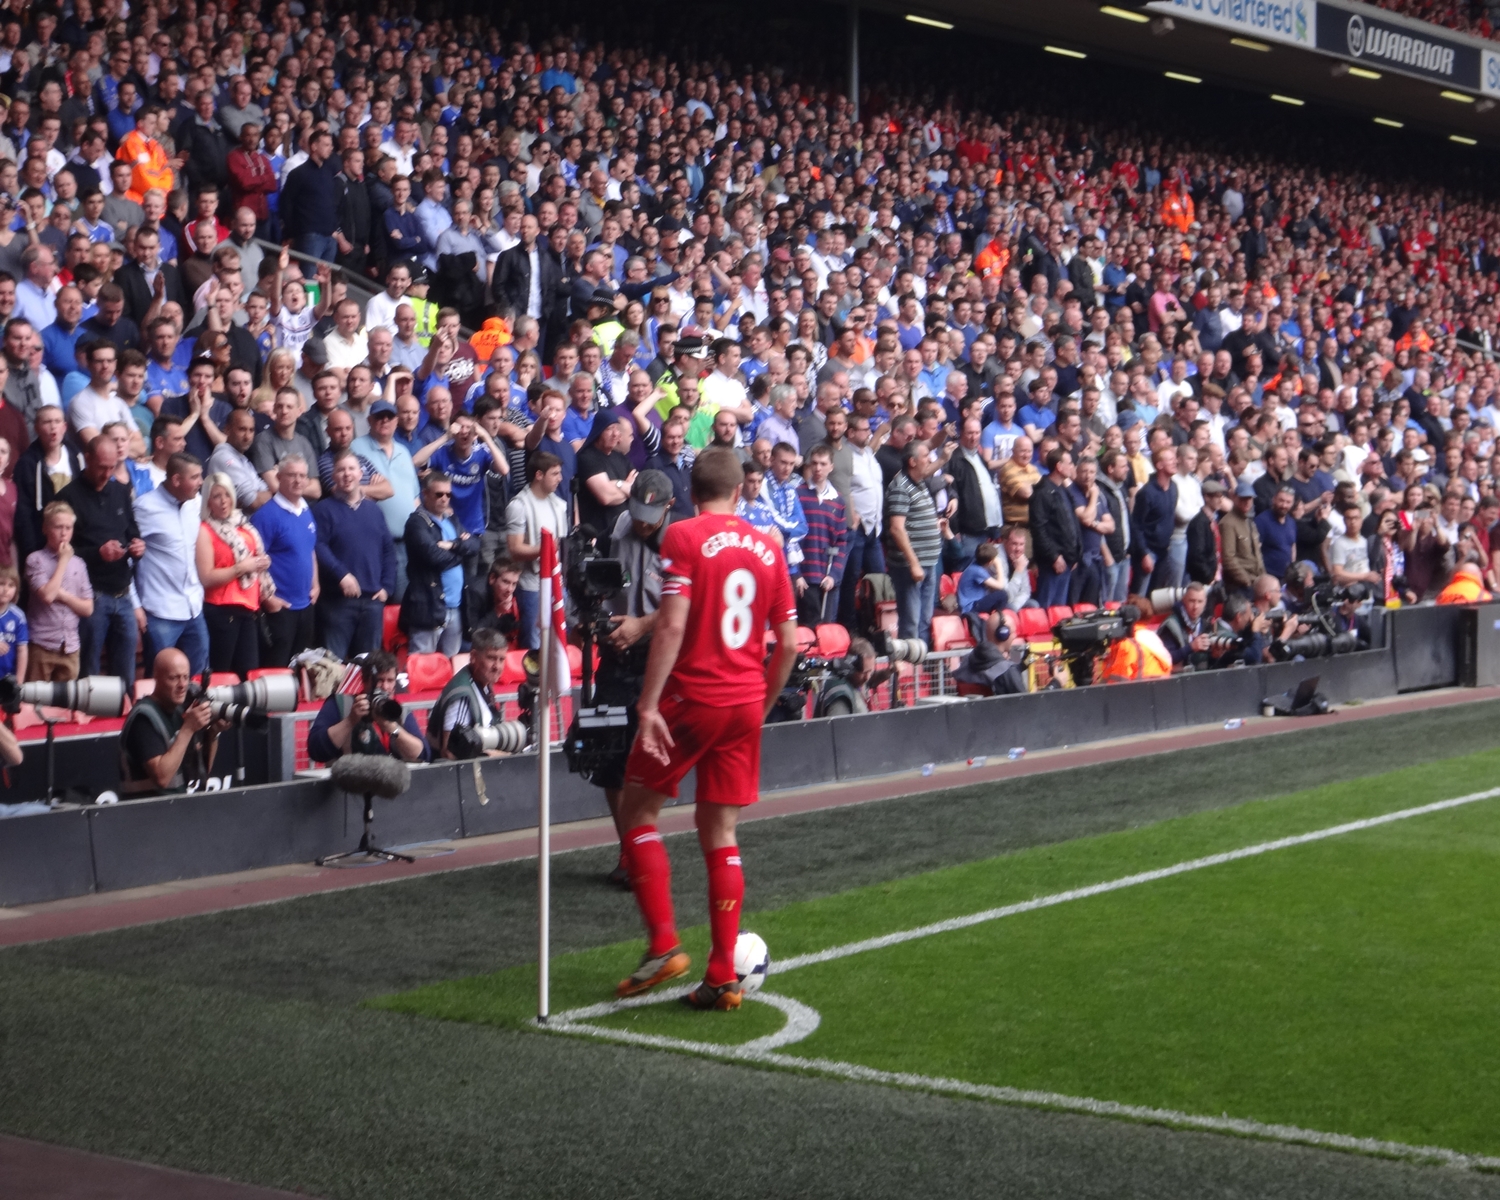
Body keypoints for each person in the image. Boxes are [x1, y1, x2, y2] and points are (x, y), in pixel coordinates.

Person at [613, 447, 798, 1010]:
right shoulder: (769, 546)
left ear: (691, 495)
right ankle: (722, 975)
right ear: (742, 492)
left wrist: (648, 705)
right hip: (744, 702)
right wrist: (761, 706)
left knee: (636, 811)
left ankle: (666, 945)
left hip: (693, 697)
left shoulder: (684, 538)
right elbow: (788, 643)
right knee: (720, 832)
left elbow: (672, 623)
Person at [56, 434, 142, 686]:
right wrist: (97, 553)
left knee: (126, 670)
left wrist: (138, 545)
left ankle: (126, 719)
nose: (107, 474)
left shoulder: (120, 491)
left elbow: (132, 530)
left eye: (112, 467)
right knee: (89, 670)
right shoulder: (68, 497)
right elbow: (61, 550)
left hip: (123, 592)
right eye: (101, 467)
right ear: (87, 459)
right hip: (90, 594)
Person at [315, 450, 396, 660]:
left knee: (369, 668)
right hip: (337, 603)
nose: (347, 474)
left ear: (361, 474)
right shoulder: (323, 510)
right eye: (341, 470)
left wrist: (387, 587)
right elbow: (318, 546)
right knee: (334, 668)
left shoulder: (374, 511)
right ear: (333, 477)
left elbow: (388, 550)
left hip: (372, 602)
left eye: (351, 469)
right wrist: (341, 575)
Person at [134, 451, 211, 674]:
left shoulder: (193, 504)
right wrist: (135, 605)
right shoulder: (145, 508)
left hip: (194, 608)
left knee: (199, 680)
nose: (201, 482)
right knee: (161, 680)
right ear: (176, 480)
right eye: (195, 477)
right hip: (161, 611)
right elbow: (129, 559)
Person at [119, 647, 231, 796]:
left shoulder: (179, 712)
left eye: (186, 677)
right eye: (174, 678)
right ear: (156, 678)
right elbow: (162, 778)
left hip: (176, 809)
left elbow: (201, 772)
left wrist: (213, 734)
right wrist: (188, 729)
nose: (182, 685)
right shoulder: (143, 718)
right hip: (145, 812)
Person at [196, 472, 274, 679]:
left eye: (227, 495)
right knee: (222, 674)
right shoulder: (205, 529)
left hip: (249, 607)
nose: (223, 501)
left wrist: (260, 563)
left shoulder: (242, 524)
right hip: (222, 610)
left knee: (249, 673)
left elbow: (253, 558)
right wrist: (241, 568)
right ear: (208, 501)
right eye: (216, 496)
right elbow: (206, 577)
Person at [251, 456, 320, 667]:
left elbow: (310, 549)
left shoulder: (306, 510)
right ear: (279, 478)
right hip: (280, 607)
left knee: (301, 667)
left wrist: (315, 584)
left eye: (302, 476)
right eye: (291, 475)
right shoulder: (266, 515)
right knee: (276, 670)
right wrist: (267, 598)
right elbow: (253, 562)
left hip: (306, 605)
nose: (298, 481)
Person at [401, 471, 479, 656]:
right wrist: (462, 550)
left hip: (456, 607)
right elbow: (434, 556)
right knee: (423, 669)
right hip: (429, 607)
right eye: (439, 494)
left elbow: (475, 544)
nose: (444, 499)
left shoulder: (452, 519)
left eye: (448, 494)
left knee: (450, 670)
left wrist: (453, 545)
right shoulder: (416, 523)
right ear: (425, 494)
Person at [306, 649, 429, 764]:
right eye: (380, 680)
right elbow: (316, 750)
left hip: (389, 780)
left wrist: (393, 729)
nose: (385, 687)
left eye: (390, 680)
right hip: (350, 780)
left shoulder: (395, 709)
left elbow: (423, 754)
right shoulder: (341, 703)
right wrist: (350, 721)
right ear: (365, 681)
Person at [504, 451, 570, 649]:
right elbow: (514, 549)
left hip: (557, 581)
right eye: (555, 474)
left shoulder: (558, 504)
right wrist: (544, 549)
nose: (560, 479)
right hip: (532, 584)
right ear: (539, 475)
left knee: (557, 638)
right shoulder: (519, 505)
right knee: (533, 641)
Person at [24, 499, 92, 680]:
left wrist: (63, 595)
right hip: (42, 645)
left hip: (70, 647)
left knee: (66, 704)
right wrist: (63, 560)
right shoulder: (35, 560)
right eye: (58, 527)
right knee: (35, 700)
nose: (64, 533)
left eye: (68, 528)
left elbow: (88, 608)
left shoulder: (79, 564)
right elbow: (47, 595)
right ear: (45, 528)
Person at [884, 441, 942, 644]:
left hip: (928, 563)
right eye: (926, 456)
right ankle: (909, 672)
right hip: (910, 567)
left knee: (925, 620)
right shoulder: (900, 487)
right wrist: (914, 562)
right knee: (911, 622)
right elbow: (896, 528)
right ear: (912, 461)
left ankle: (922, 669)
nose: (930, 460)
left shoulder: (919, 483)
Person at [428, 626, 511, 759]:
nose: (497, 667)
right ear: (473, 657)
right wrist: (492, 756)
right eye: (491, 658)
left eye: (501, 659)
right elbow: (449, 752)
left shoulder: (483, 683)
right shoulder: (462, 696)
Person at [1029, 447, 1082, 607]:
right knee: (1047, 608)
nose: (1073, 466)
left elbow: (1072, 523)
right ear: (1059, 466)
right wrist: (1053, 556)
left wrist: (1076, 554)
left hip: (1067, 559)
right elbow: (1038, 528)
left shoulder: (1063, 490)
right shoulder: (1043, 493)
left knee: (1059, 610)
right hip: (1053, 562)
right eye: (1070, 463)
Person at [0, 564, 28, 682]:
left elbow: (22, 649)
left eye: (11, 585)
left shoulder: (18, 616)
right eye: (1, 584)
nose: (6, 589)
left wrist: (18, 683)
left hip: (7, 678)